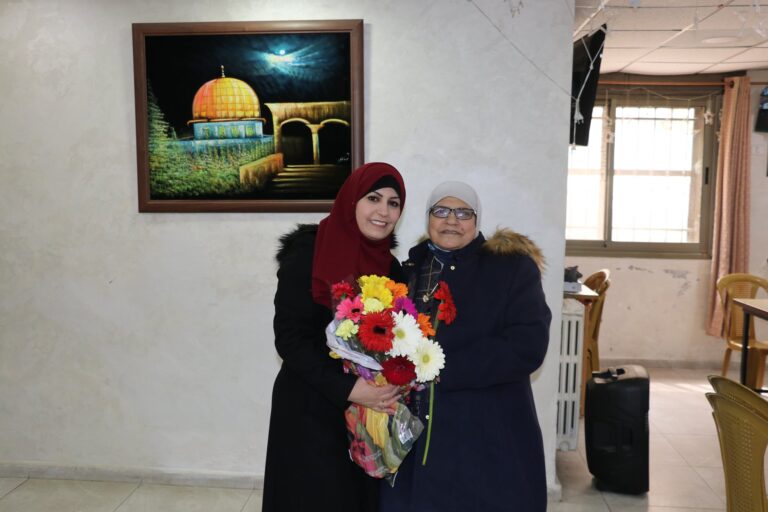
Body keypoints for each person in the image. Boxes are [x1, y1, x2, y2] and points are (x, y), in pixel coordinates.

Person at [380, 181, 551, 512]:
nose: (451, 221)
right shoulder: (409, 271)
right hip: (419, 428)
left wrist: (441, 370)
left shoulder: (511, 268)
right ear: (428, 218)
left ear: (476, 220)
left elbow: (527, 345)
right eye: (441, 211)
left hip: (487, 428)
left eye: (463, 213)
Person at [262, 162, 407, 512]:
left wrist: (395, 380)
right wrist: (349, 388)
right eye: (374, 198)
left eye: (393, 203)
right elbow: (290, 339)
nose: (383, 211)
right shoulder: (308, 253)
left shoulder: (392, 269)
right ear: (351, 200)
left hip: (367, 417)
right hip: (309, 409)